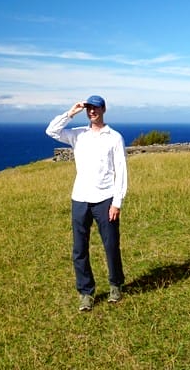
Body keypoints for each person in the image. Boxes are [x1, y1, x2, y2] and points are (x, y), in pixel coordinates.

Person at [46, 95, 128, 312]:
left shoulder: (114, 137)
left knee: (111, 245)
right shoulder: (78, 134)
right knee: (79, 249)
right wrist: (71, 112)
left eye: (96, 108)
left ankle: (115, 285)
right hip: (80, 198)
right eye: (89, 108)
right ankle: (86, 293)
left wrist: (117, 202)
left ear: (104, 109)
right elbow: (51, 131)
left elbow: (121, 171)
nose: (92, 111)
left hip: (105, 199)